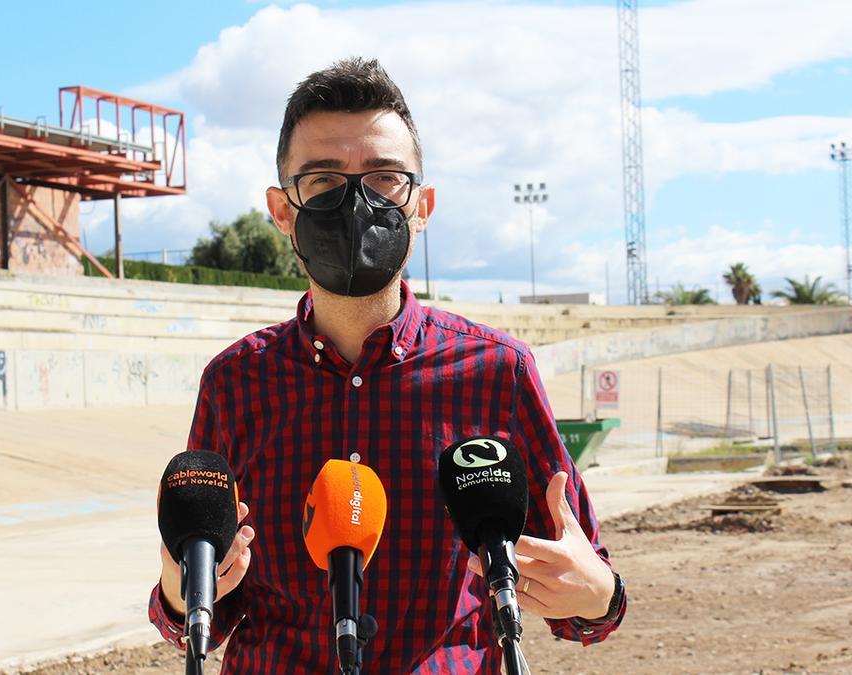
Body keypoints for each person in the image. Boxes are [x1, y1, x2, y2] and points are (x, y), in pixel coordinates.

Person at [149, 57, 626, 673]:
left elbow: (584, 597)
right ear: (282, 209)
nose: (355, 201)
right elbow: (203, 615)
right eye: (322, 179)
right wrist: (178, 588)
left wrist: (597, 594)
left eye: (383, 178)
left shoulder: (496, 373)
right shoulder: (235, 382)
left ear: (422, 205)